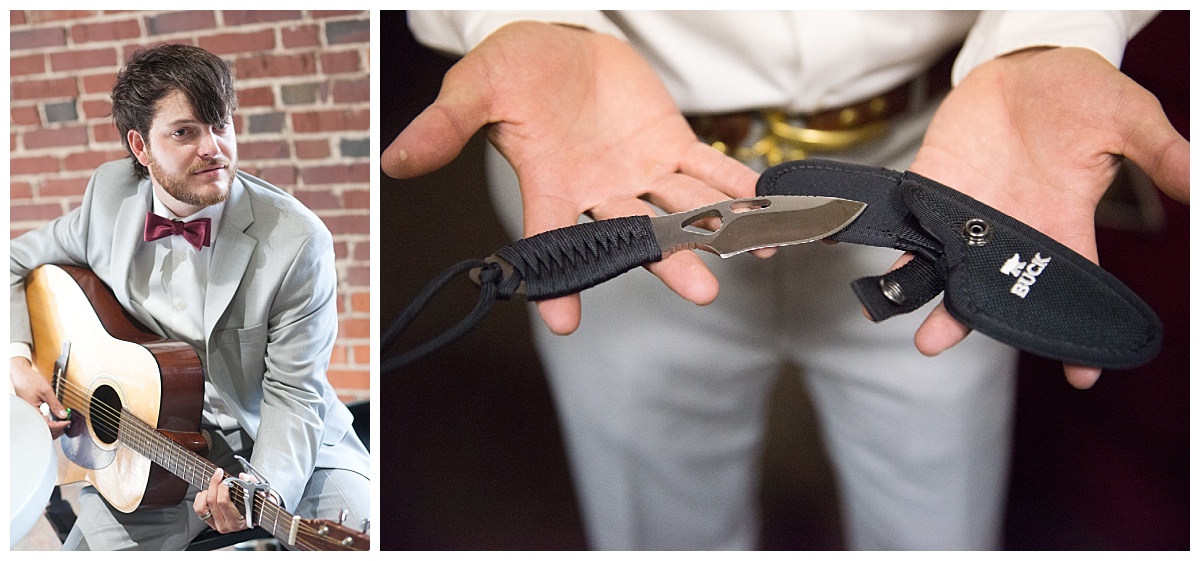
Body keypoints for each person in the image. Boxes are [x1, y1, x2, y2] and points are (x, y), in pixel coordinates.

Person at [384, 11, 1189, 549]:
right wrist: (518, 18)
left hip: (948, 174)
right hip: (619, 179)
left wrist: (1054, 33)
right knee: (658, 530)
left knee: (937, 530)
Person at [10, 44, 370, 550]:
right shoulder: (109, 197)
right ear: (140, 146)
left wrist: (262, 486)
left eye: (220, 125)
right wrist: (19, 360)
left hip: (285, 447)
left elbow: (296, 392)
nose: (213, 148)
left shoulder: (298, 240)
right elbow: (13, 261)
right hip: (145, 451)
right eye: (185, 132)